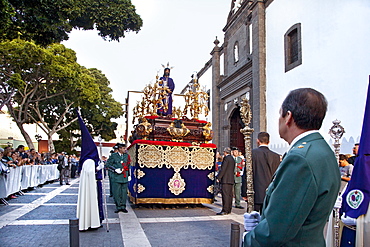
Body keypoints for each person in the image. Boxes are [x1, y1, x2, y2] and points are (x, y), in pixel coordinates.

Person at [243, 88, 341, 246]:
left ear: (288, 116)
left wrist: (249, 238)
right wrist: (263, 221)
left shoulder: (300, 158)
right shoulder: (321, 149)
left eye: (280, 114)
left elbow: (275, 232)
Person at [250, 132, 280, 212]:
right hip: (270, 193)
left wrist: (244, 192)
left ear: (258, 141)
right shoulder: (276, 156)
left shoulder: (252, 153)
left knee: (253, 220)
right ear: (269, 142)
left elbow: (248, 173)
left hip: (256, 192)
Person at [106, 143, 131, 213]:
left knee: (124, 193)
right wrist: (115, 169)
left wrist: (129, 175)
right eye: (123, 148)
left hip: (124, 176)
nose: (125, 149)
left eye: (125, 148)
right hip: (116, 177)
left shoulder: (126, 156)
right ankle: (118, 206)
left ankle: (123, 206)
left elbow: (128, 165)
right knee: (116, 192)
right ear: (119, 149)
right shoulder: (114, 156)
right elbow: (108, 165)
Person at [216, 147, 235, 215]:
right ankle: (229, 209)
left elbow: (223, 169)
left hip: (226, 180)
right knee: (229, 195)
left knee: (225, 195)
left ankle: (225, 210)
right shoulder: (232, 158)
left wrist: (218, 177)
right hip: (231, 179)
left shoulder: (226, 158)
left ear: (225, 152)